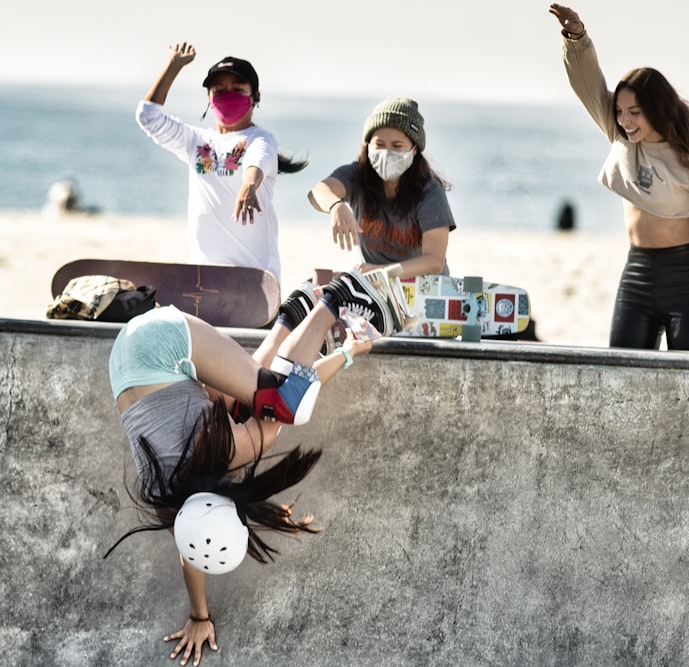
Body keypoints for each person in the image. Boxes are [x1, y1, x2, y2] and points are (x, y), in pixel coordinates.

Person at [104, 268, 400, 666]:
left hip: (165, 342)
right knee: (244, 403)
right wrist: (199, 616)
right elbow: (190, 553)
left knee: (281, 402)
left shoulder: (230, 452)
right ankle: (290, 316)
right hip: (128, 360)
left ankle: (337, 296)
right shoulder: (169, 500)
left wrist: (349, 353)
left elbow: (294, 394)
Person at [549, 4, 689, 350]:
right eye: (620, 111)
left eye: (634, 112)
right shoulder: (622, 137)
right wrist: (577, 39)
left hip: (687, 280)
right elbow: (590, 87)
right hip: (636, 274)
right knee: (623, 377)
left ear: (657, 109)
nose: (624, 120)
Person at [137, 43, 306, 279]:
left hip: (254, 280)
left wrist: (249, 186)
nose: (228, 95)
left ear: (255, 97)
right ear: (208, 98)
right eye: (219, 89)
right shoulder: (196, 141)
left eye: (238, 89)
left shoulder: (260, 139)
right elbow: (148, 116)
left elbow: (258, 161)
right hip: (201, 276)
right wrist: (173, 67)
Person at [307, 96, 456, 280]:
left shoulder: (429, 191)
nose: (386, 153)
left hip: (424, 290)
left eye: (397, 146)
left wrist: (381, 273)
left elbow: (434, 262)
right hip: (374, 286)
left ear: (414, 149)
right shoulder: (358, 175)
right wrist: (336, 206)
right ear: (368, 145)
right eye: (379, 144)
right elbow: (317, 192)